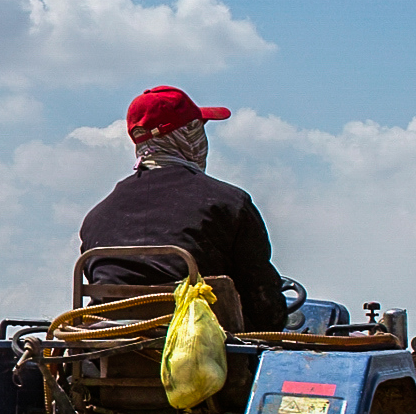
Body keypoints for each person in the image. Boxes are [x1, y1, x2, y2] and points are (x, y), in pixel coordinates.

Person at [78, 85, 288, 331]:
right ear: (187, 134)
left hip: (105, 357)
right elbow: (264, 307)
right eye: (199, 129)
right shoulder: (229, 203)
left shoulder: (96, 217)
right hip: (210, 362)